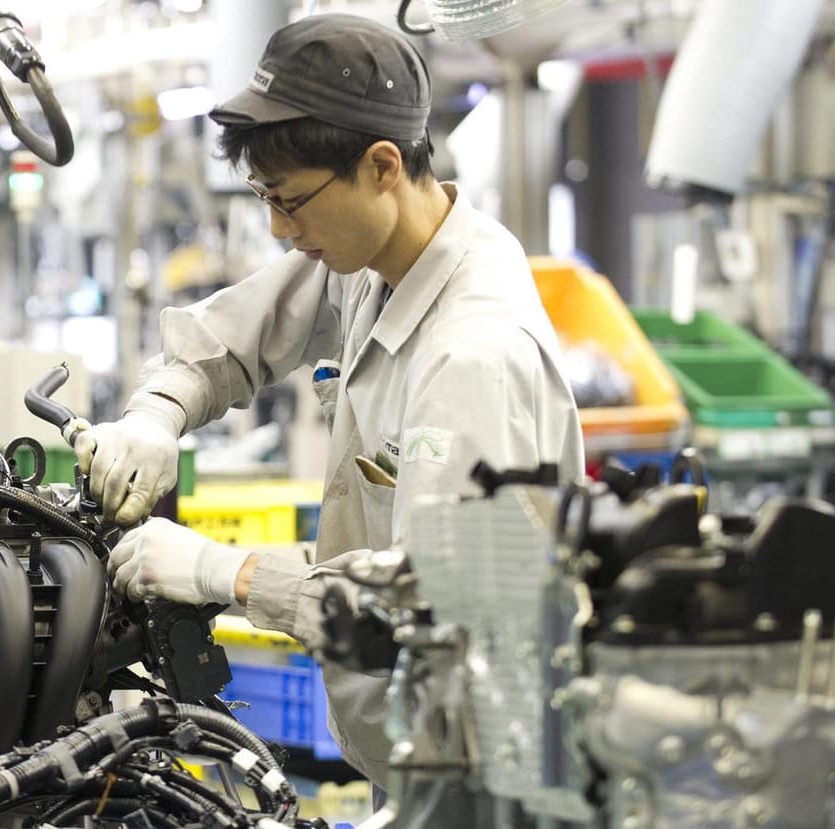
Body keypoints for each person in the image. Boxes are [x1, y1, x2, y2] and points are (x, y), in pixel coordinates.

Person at [93, 14, 584, 787]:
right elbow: (237, 335)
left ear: (383, 165)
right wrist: (155, 413)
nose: (281, 230)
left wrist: (228, 574)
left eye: (292, 202)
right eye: (264, 198)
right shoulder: (371, 258)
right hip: (407, 759)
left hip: (483, 781)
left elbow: (434, 617)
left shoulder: (472, 358)